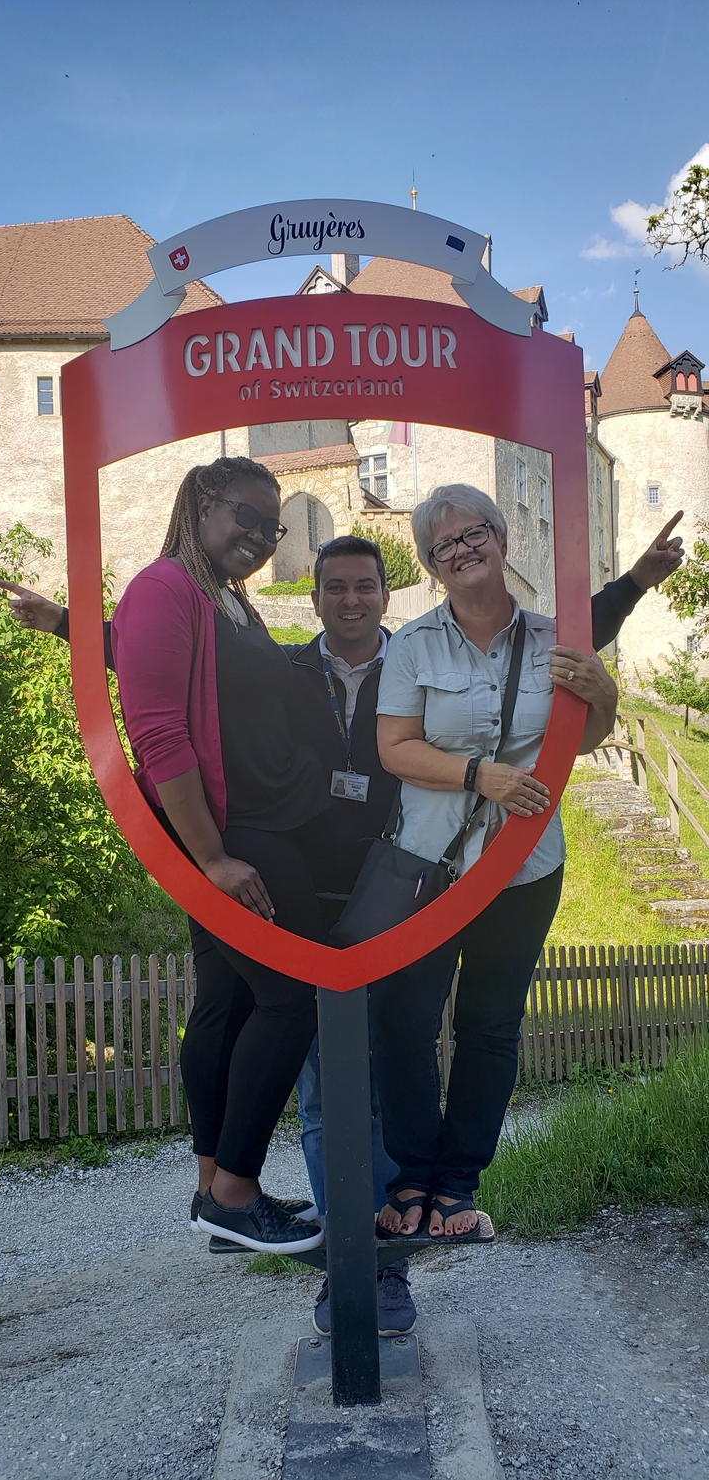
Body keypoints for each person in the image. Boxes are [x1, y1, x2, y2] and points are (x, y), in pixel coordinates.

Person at [0, 513, 684, 1272]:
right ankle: (347, 1234)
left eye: (365, 585)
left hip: (397, 874)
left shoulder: (415, 655)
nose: (351, 600)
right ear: (315, 598)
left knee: (399, 1043)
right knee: (325, 1071)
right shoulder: (283, 670)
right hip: (310, 891)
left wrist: (636, 585)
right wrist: (65, 623)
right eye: (335, 588)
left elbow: (555, 643)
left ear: (387, 593)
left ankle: (403, 1212)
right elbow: (175, 661)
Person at [107, 453, 347, 1256]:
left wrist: (82, 631)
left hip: (263, 825)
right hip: (236, 835)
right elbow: (158, 731)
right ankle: (237, 1191)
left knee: (226, 1001)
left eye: (272, 526)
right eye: (246, 516)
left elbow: (158, 656)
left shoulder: (223, 597)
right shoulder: (166, 584)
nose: (259, 536)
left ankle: (216, 1189)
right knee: (294, 995)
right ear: (204, 501)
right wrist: (209, 858)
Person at [372, 482, 619, 1241]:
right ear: (431, 564)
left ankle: (457, 1186)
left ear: (503, 538)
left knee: (489, 1026)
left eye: (474, 531)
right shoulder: (413, 643)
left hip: (525, 866)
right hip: (430, 865)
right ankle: (412, 1172)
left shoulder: (556, 636)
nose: (463, 549)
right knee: (405, 1024)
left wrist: (602, 693)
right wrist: (482, 776)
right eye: (445, 544)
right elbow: (394, 748)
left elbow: (584, 738)